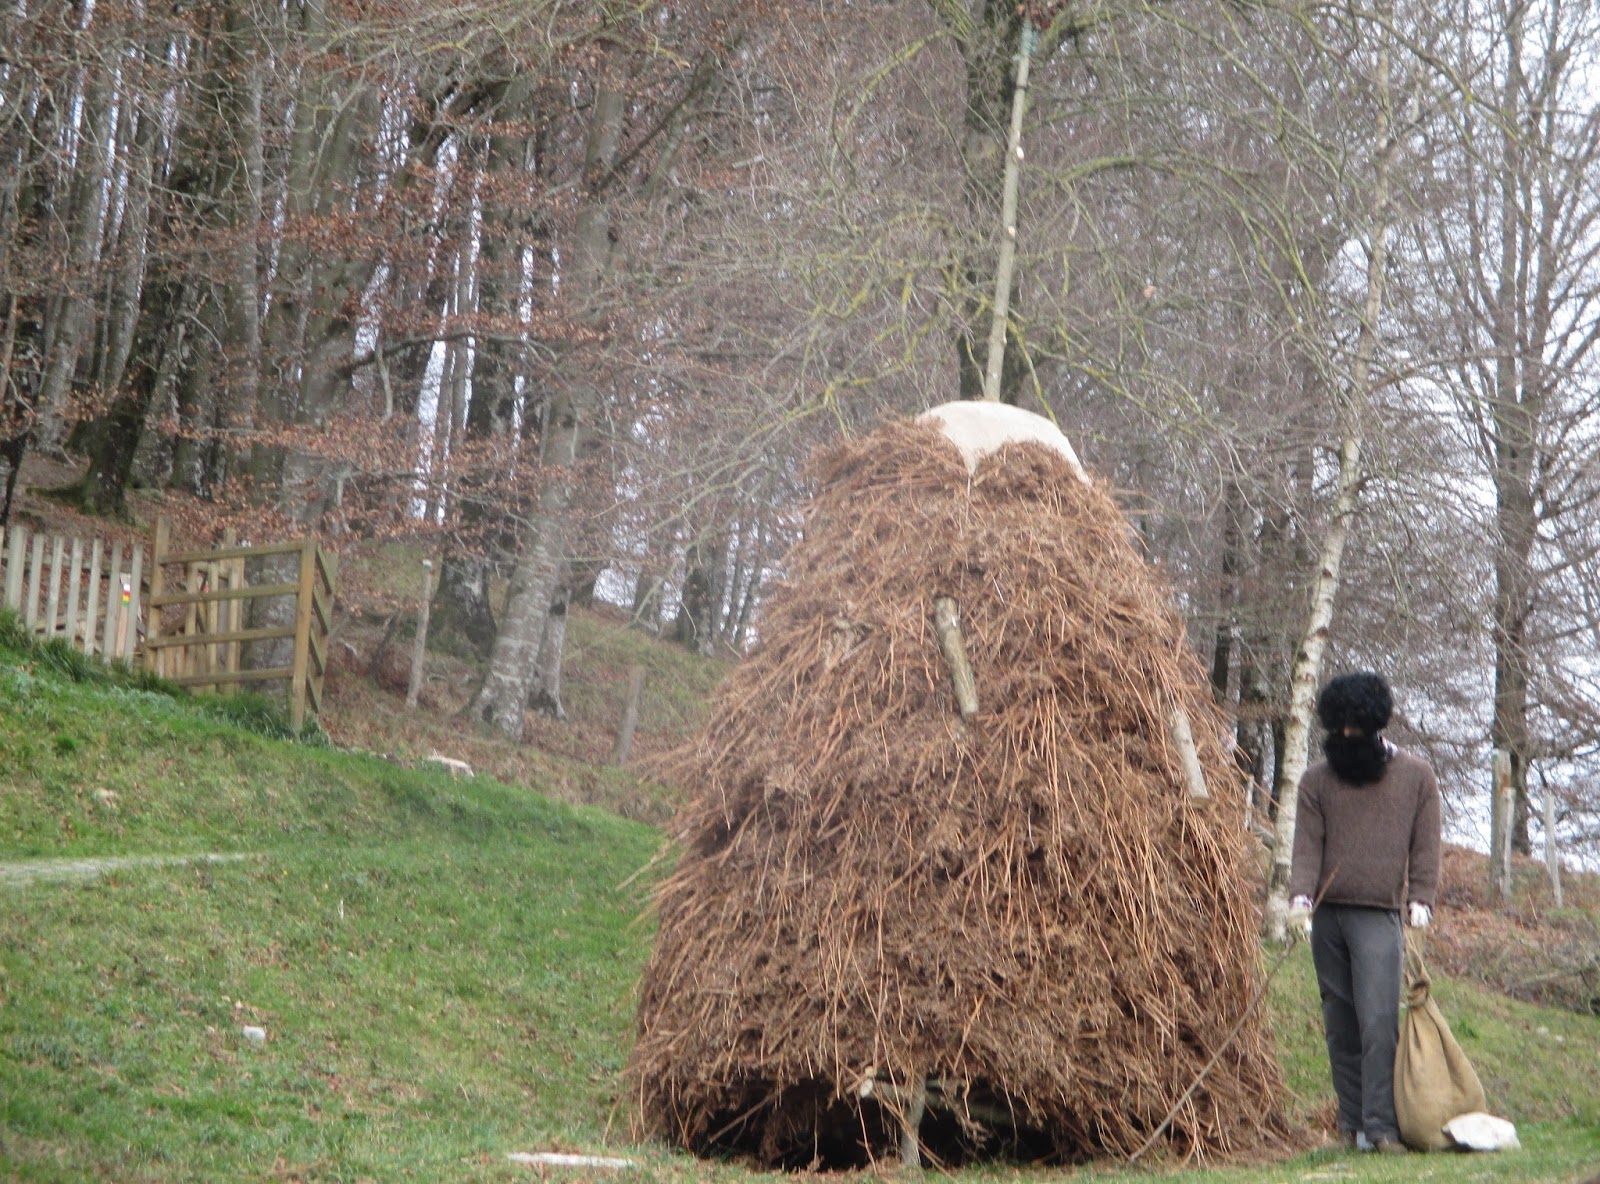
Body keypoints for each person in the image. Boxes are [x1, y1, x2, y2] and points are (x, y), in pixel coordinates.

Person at [1287, 671, 1441, 1155]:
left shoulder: (1416, 777)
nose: (1346, 738)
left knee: (1377, 1023)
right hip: (1328, 919)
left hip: (1378, 916)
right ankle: (1351, 1125)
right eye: (1340, 730)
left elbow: (1425, 845)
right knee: (1340, 1024)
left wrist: (1421, 898)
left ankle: (1382, 1128)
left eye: (1355, 729)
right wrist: (1300, 899)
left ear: (1374, 727)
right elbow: (1307, 845)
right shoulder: (1316, 781)